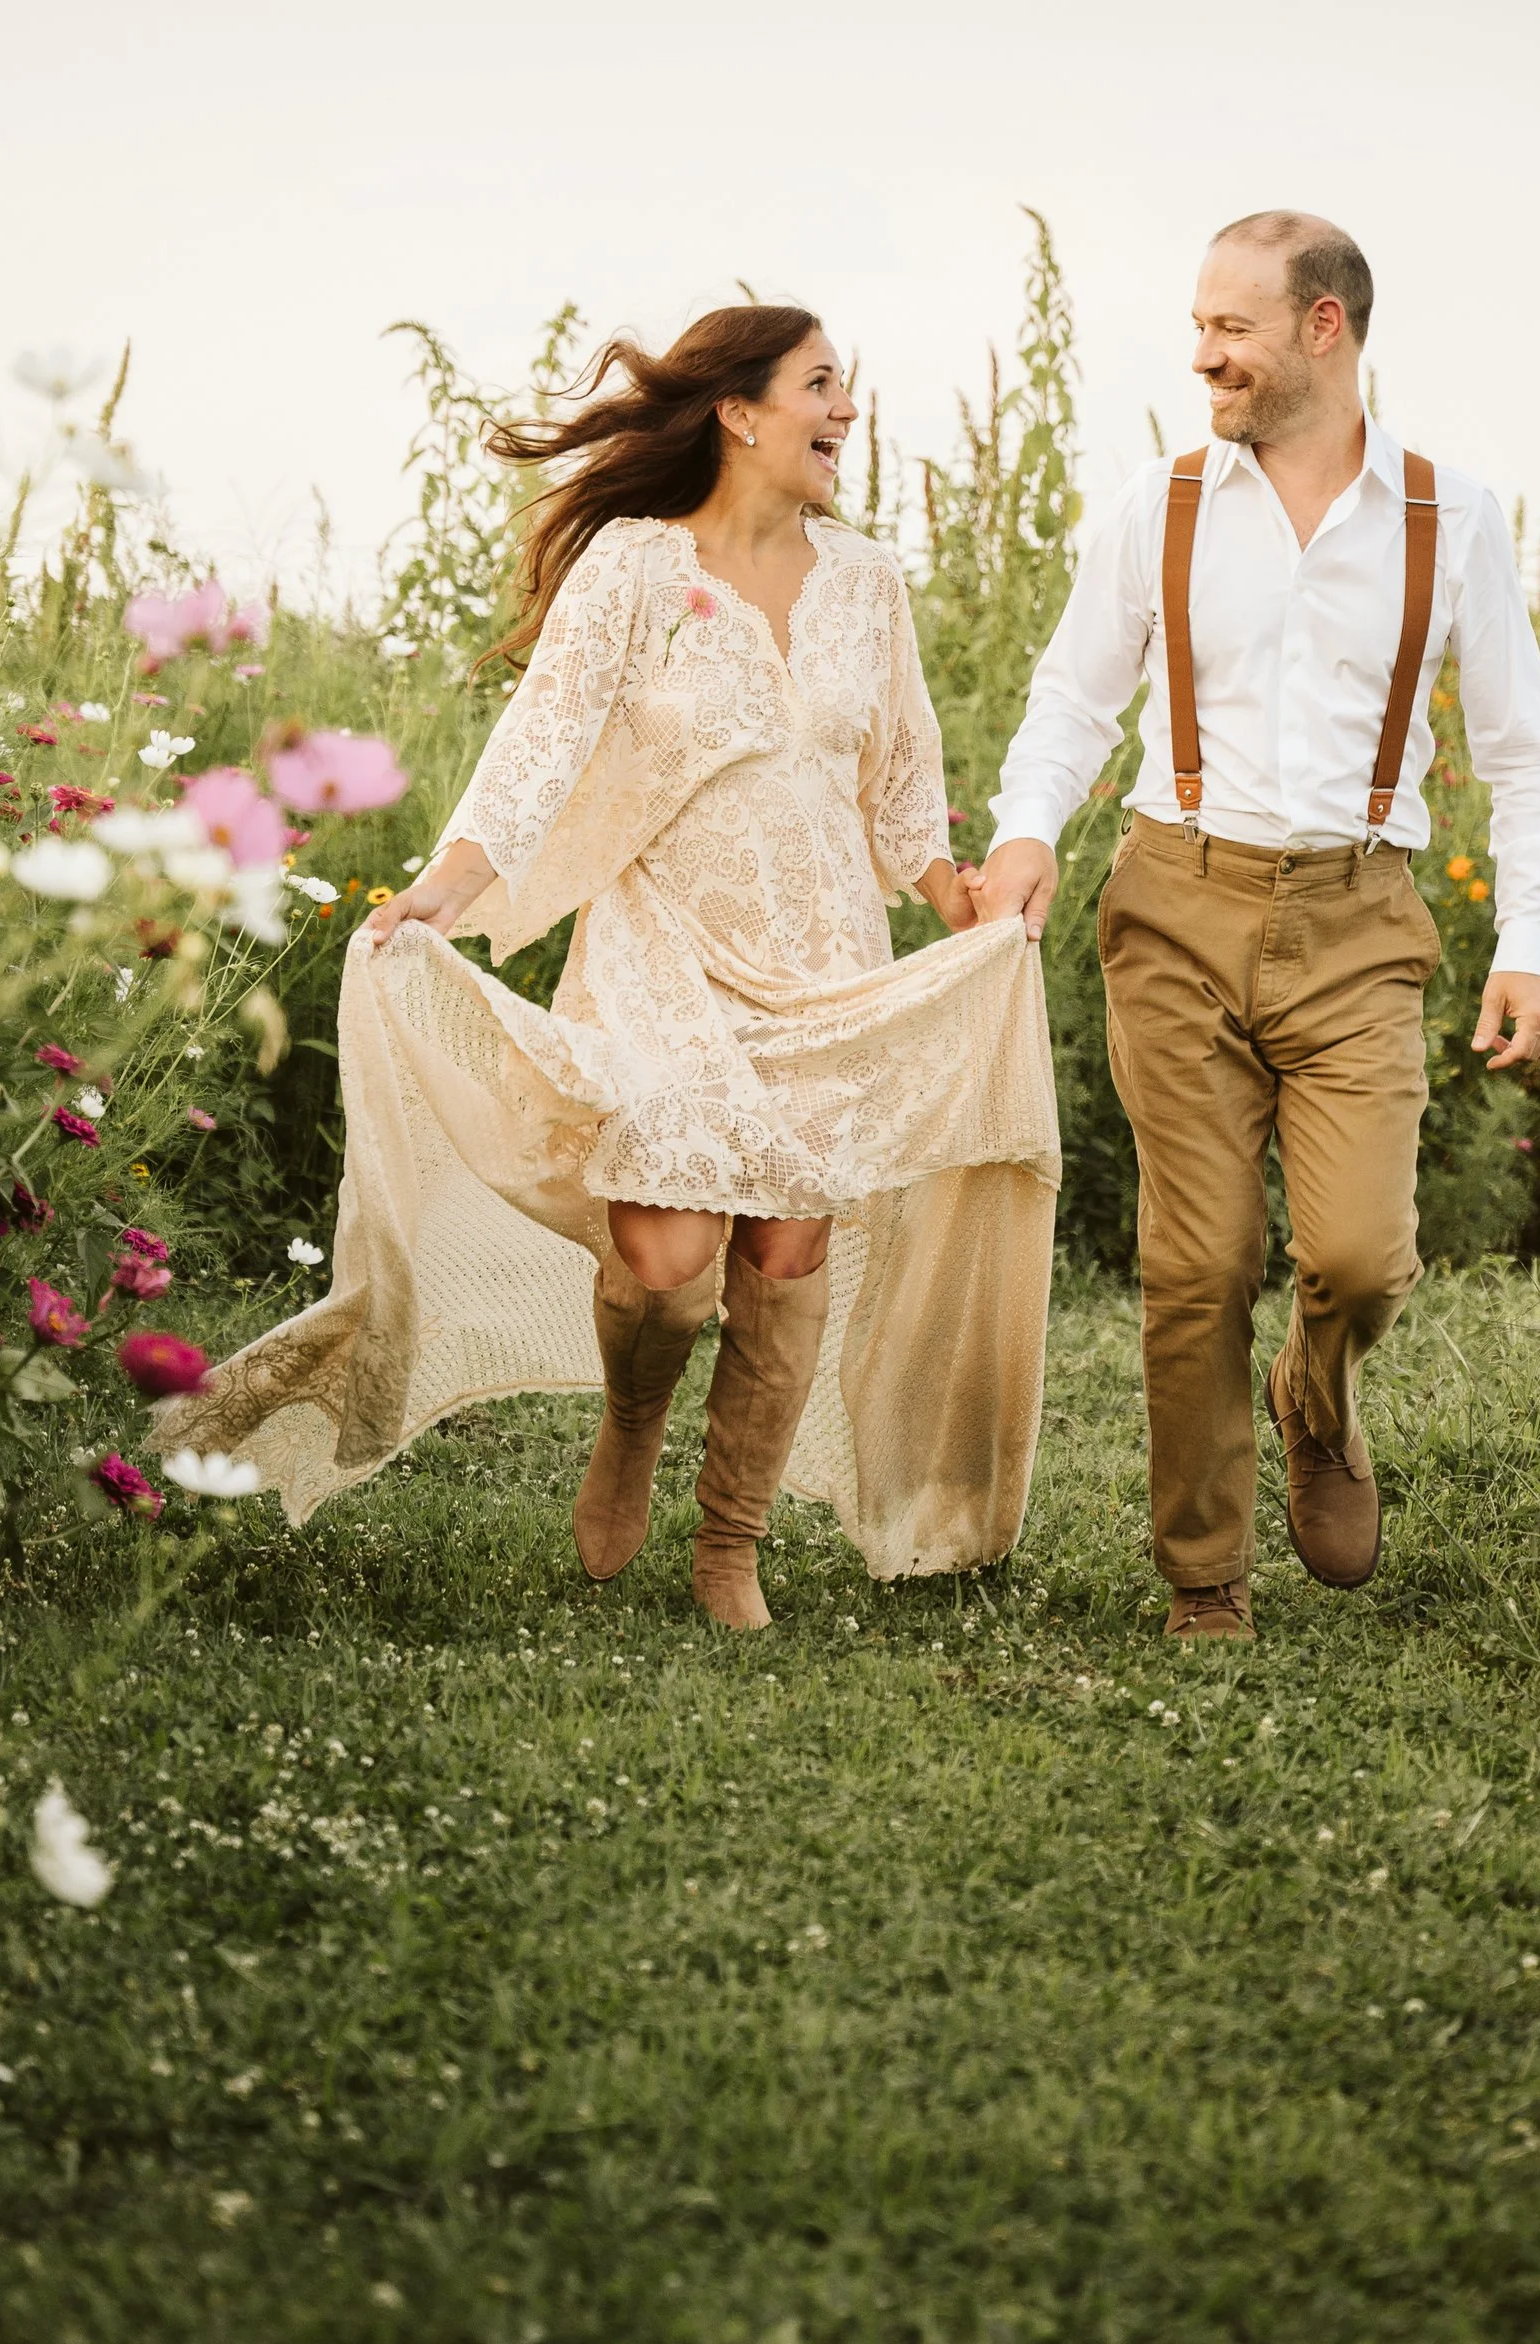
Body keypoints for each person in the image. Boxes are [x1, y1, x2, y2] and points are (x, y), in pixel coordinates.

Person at [158, 303, 1061, 1625]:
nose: (847, 415)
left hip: (821, 963)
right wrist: (438, 893)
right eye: (823, 388)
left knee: (784, 1252)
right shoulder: (637, 568)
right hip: (661, 954)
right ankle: (632, 1426)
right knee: (665, 1255)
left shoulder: (868, 583)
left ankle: (729, 1543)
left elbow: (902, 796)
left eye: (846, 392)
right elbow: (540, 749)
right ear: (741, 412)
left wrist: (970, 906)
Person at [976, 212, 1540, 1643]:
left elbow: (1525, 755)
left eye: (1231, 328)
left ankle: (1316, 1386)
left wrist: (1529, 940)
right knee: (1198, 1262)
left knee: (1363, 1257)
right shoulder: (1160, 504)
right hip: (1176, 901)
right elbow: (1074, 699)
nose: (1203, 356)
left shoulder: (1450, 520)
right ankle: (1207, 1576)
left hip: (1360, 917)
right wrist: (1025, 832)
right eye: (1199, 326)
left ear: (1325, 328)